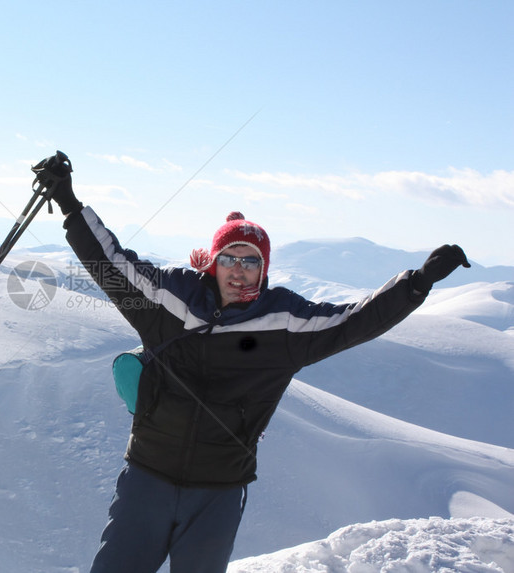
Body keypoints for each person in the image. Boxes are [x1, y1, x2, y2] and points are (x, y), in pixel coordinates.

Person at [32, 152, 471, 573]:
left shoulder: (284, 325)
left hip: (217, 492)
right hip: (147, 476)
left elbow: (354, 322)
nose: (238, 270)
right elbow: (110, 265)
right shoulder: (168, 300)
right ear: (215, 262)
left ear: (264, 269)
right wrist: (70, 204)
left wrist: (416, 284)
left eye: (250, 261)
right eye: (229, 258)